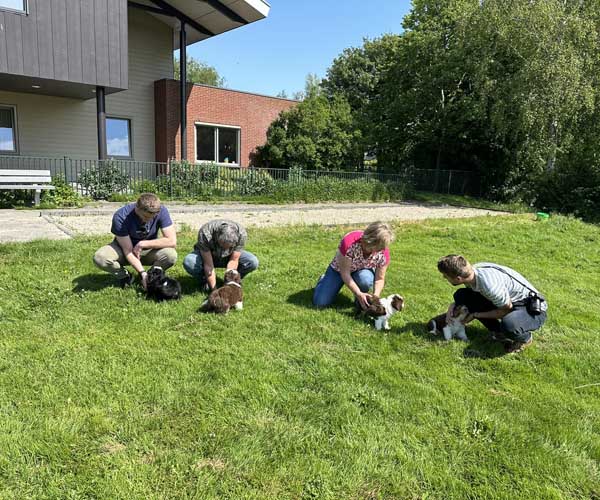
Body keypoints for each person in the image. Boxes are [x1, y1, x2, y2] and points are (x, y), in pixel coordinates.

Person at [429, 254, 548, 353]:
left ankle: (525, 339)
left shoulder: (490, 286)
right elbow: (473, 296)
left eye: (446, 276)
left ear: (458, 279)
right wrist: (452, 306)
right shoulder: (471, 273)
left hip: (531, 308)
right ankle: (498, 332)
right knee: (461, 295)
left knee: (509, 325)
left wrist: (475, 315)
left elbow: (505, 310)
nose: (444, 277)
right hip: (509, 301)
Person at [93, 193, 177, 289]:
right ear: (137, 208)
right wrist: (142, 272)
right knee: (100, 258)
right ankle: (125, 277)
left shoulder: (162, 211)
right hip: (124, 250)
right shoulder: (121, 216)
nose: (149, 220)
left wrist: (142, 244)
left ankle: (152, 277)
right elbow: (128, 251)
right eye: (145, 217)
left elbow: (172, 241)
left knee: (171, 255)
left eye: (152, 217)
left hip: (148, 250)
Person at [313, 221, 394, 309]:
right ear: (369, 241)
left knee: (365, 280)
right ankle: (323, 280)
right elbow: (345, 274)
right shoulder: (349, 242)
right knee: (320, 302)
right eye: (376, 247)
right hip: (339, 271)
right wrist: (358, 293)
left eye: (381, 248)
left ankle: (359, 301)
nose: (378, 250)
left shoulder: (383, 252)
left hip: (362, 271)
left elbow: (379, 279)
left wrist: (375, 296)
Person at [183, 219, 258, 292]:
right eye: (222, 246)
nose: (224, 250)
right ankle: (204, 280)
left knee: (252, 261)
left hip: (229, 257)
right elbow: (208, 265)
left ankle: (234, 280)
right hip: (208, 256)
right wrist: (214, 290)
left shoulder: (241, 234)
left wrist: (227, 285)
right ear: (217, 237)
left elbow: (234, 260)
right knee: (189, 262)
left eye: (229, 247)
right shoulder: (205, 233)